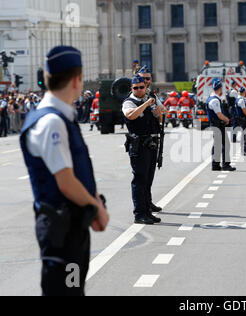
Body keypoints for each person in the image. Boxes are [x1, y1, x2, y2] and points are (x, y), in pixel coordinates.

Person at [19, 45, 109, 296]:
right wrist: (97, 207)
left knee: (73, 290)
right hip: (62, 230)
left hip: (71, 226)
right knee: (66, 292)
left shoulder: (59, 118)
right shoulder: (52, 122)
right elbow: (66, 182)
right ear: (77, 80)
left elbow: (78, 169)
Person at [122, 75, 163, 225]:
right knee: (139, 179)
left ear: (146, 87)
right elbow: (131, 115)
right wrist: (145, 104)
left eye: (141, 87)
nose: (139, 90)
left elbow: (160, 117)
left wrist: (158, 113)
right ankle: (139, 214)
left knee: (148, 179)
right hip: (139, 145)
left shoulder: (149, 100)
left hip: (151, 142)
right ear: (131, 89)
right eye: (136, 88)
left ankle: (147, 211)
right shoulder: (129, 102)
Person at [206, 80, 236, 172]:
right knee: (225, 144)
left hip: (215, 124)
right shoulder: (215, 100)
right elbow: (219, 114)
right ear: (219, 88)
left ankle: (215, 165)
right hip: (218, 124)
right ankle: (225, 164)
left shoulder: (210, 98)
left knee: (217, 144)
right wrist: (227, 119)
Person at [235, 87, 246, 156]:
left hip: (241, 119)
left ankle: (242, 149)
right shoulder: (241, 100)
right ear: (244, 92)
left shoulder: (238, 99)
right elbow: (244, 110)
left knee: (244, 134)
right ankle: (244, 150)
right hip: (244, 119)